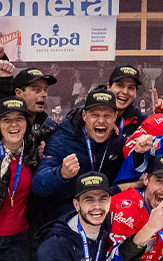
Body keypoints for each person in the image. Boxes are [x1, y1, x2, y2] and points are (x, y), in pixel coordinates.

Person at [32, 88, 128, 232]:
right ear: (84, 115)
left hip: (101, 220)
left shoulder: (116, 141)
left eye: (107, 115)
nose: (101, 120)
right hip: (65, 223)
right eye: (95, 115)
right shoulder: (62, 140)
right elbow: (38, 185)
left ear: (115, 117)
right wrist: (60, 173)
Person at [0, 99, 40, 261]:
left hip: (17, 241)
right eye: (6, 119)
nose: (13, 125)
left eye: (19, 119)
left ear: (27, 123)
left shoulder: (34, 154)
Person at [106, 65, 147, 141]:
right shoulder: (88, 116)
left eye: (131, 88)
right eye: (120, 85)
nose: (125, 92)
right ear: (108, 87)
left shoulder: (139, 119)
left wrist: (162, 116)